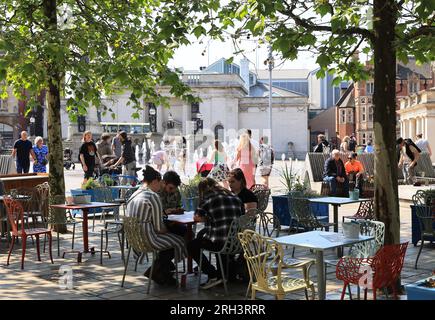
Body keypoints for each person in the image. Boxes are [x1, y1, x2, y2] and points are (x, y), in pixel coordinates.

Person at [126, 165, 186, 285]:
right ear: (154, 181)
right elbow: (159, 229)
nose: (161, 186)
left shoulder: (135, 194)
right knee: (180, 240)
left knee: (174, 237)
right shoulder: (153, 196)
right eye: (160, 183)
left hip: (135, 239)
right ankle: (157, 271)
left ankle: (162, 270)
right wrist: (169, 231)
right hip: (148, 239)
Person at [187, 178, 243, 289]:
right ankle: (222, 276)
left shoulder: (208, 198)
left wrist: (207, 217)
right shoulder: (234, 196)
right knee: (216, 236)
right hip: (236, 242)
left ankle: (212, 274)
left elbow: (197, 218)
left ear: (202, 190)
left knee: (191, 245)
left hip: (219, 243)